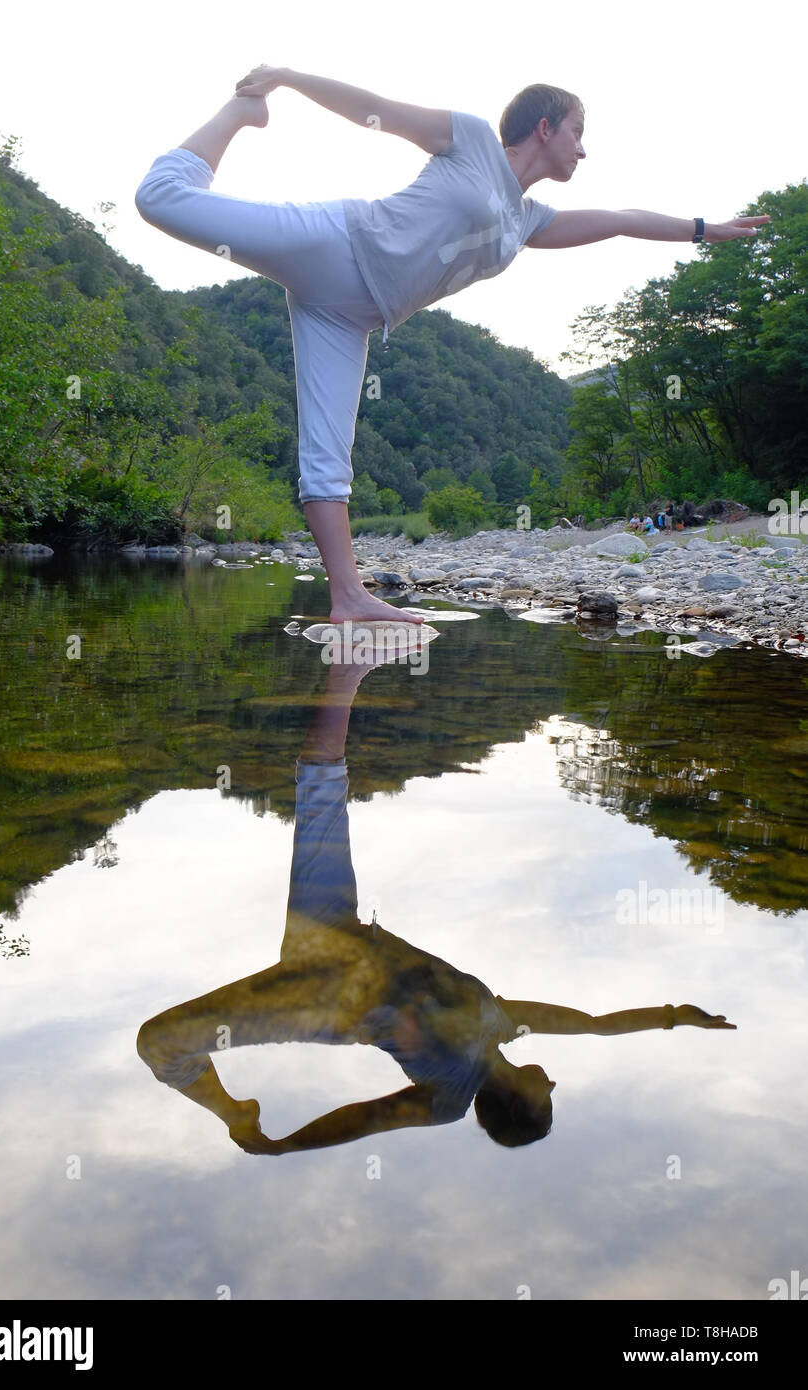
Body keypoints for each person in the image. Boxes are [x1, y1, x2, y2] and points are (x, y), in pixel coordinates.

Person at [134, 65, 771, 624]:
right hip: (338, 243)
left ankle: (348, 596)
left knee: (328, 461)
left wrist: (703, 230)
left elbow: (624, 221)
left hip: (350, 316)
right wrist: (288, 80)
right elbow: (373, 111)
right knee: (161, 199)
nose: (585, 149)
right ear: (544, 127)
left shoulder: (529, 221)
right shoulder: (469, 140)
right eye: (578, 131)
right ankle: (238, 115)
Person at [136, 651, 736, 1154]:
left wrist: (285, 1144)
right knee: (321, 783)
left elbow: (365, 1119)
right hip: (337, 931)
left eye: (547, 1095)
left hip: (317, 998)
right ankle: (347, 667)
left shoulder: (447, 1099)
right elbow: (600, 1027)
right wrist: (675, 1015)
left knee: (158, 1040)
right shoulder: (504, 1022)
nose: (553, 1080)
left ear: (521, 1104)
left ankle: (232, 1114)